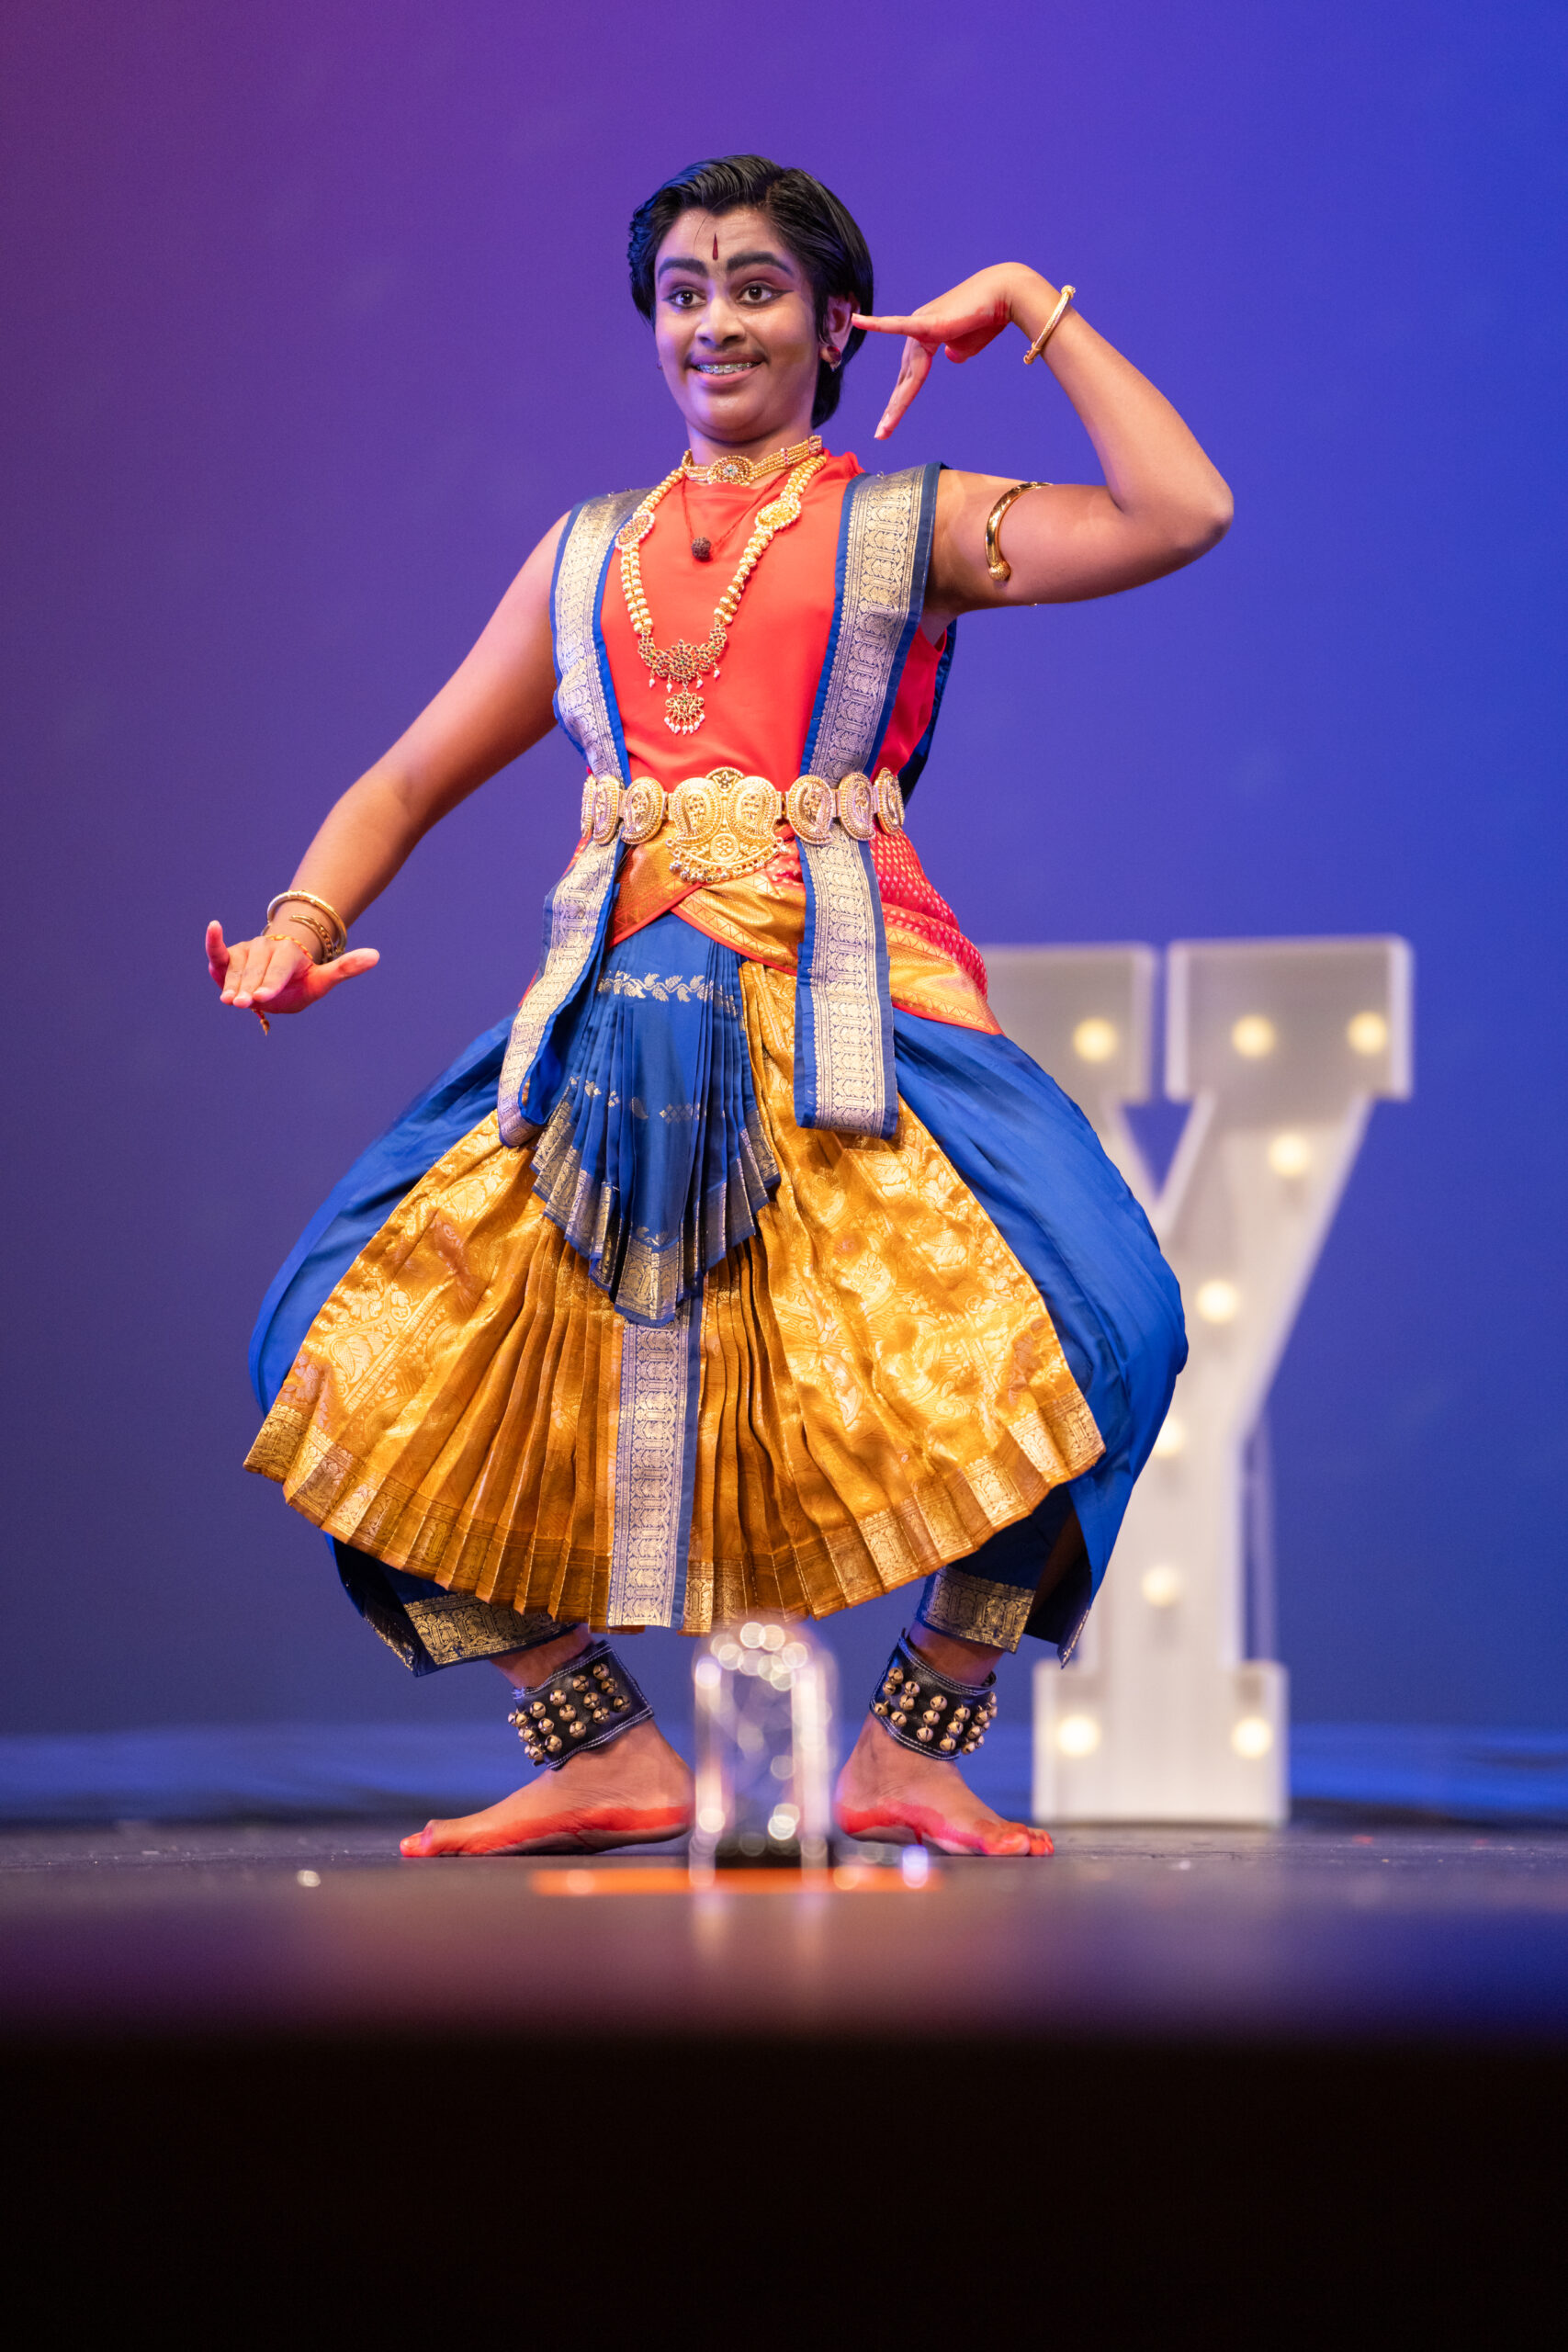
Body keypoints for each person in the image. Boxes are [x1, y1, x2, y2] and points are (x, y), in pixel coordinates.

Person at [210, 154, 1230, 1859]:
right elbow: (403, 779)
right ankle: (598, 1750)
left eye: (756, 288)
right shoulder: (583, 556)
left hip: (859, 1020)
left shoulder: (902, 525)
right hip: (613, 1038)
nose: (714, 323)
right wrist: (299, 924)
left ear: (836, 327)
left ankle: (914, 1746)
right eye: (683, 293)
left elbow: (1180, 512)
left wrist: (1030, 307)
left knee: (1113, 1320)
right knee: (320, 1343)